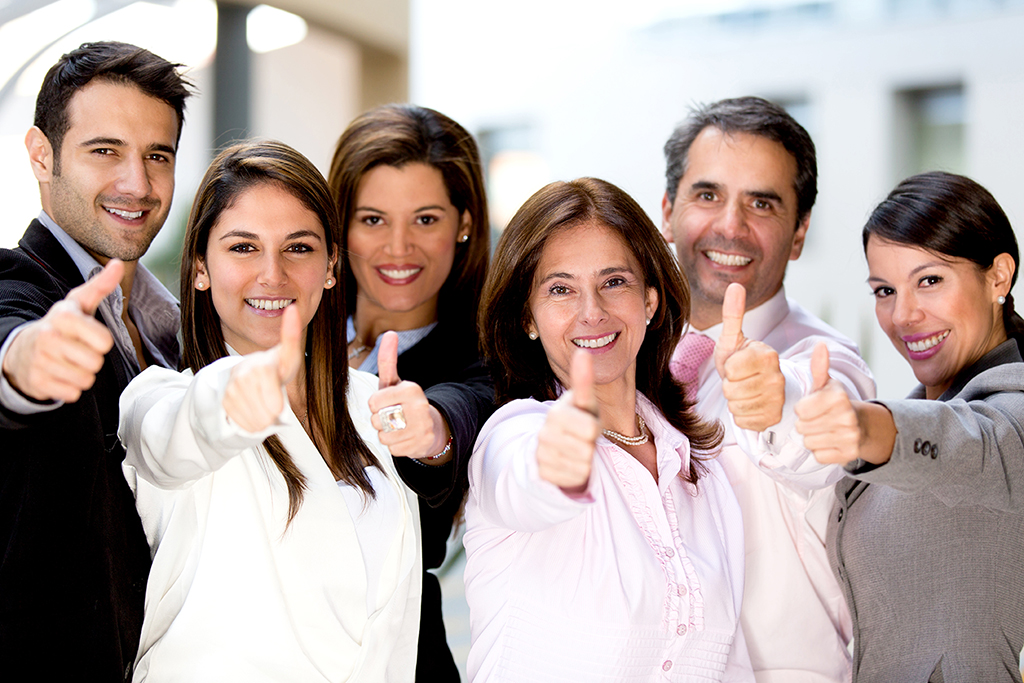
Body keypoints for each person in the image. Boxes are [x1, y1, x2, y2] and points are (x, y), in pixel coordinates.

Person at [118, 140, 422, 681]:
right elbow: (171, 436)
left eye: (298, 248)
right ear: (200, 267)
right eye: (243, 248)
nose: (272, 274)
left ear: (331, 265)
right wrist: (232, 398)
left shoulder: (376, 401)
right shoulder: (162, 399)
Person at [466, 177, 752, 682]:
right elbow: (521, 481)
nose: (592, 312)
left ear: (650, 301)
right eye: (560, 289)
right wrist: (553, 466)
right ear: (528, 317)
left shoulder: (701, 467)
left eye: (614, 282)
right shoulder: (515, 433)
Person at [660, 96, 875, 683]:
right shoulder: (626, 359)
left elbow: (821, 427)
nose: (730, 226)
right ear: (668, 211)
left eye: (762, 203)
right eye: (708, 195)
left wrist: (777, 404)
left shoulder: (826, 362)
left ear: (800, 231)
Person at [0, 42, 191, 679]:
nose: (137, 184)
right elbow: (12, 339)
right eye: (105, 150)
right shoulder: (21, 287)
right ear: (41, 154)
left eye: (157, 156)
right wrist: (25, 365)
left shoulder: (180, 336)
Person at [794, 171, 1024, 683]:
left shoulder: (1012, 411)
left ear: (998, 277)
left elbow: (969, 444)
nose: (902, 315)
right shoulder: (922, 405)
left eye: (930, 281)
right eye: (884, 290)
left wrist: (861, 426)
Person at [328, 103, 494, 681]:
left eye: (425, 219)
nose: (398, 247)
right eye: (373, 219)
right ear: (341, 224)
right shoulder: (289, 322)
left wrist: (432, 434)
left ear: (464, 223)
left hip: (395, 656)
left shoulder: (489, 359)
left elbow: (465, 411)